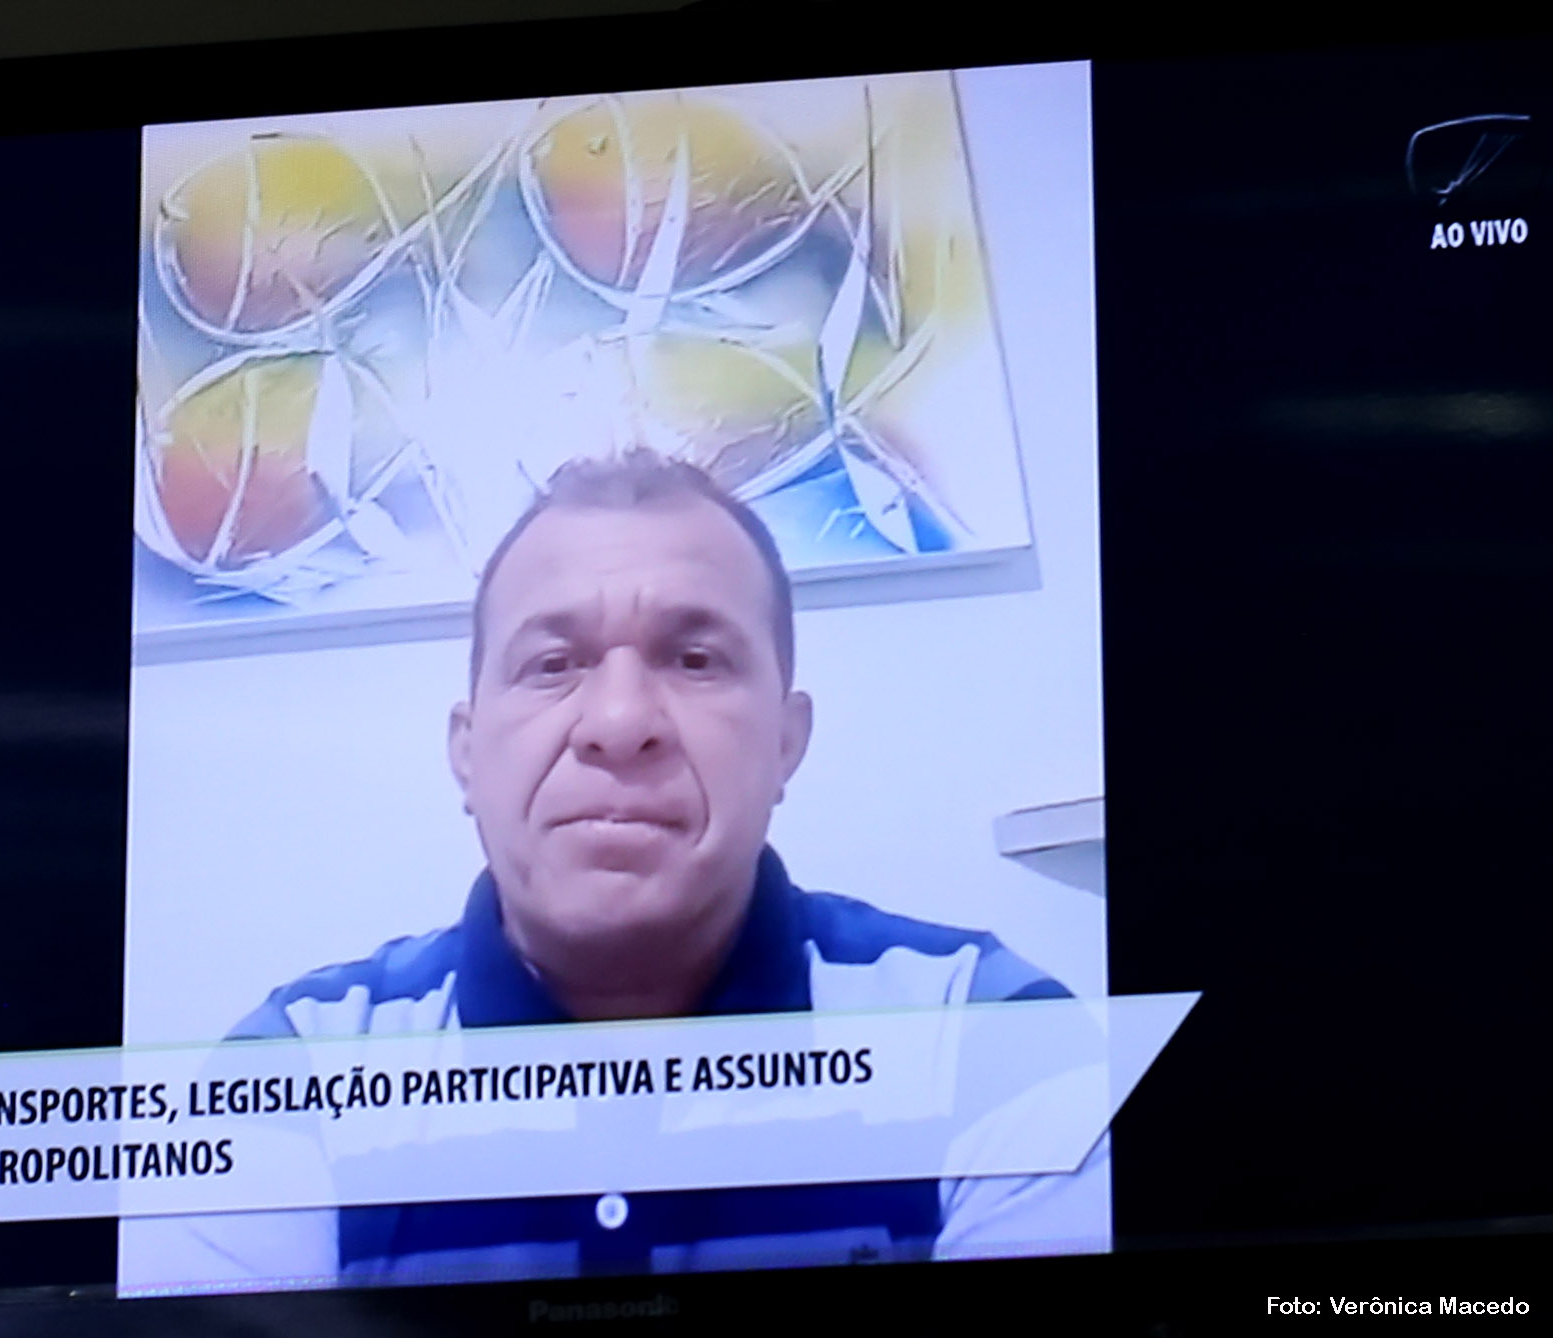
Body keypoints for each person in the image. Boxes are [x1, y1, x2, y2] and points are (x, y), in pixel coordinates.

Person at [120, 449, 1105, 1292]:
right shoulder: (295, 1071)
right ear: (466, 753)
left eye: (695, 659)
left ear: (785, 742)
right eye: (552, 665)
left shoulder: (990, 1036)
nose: (620, 723)